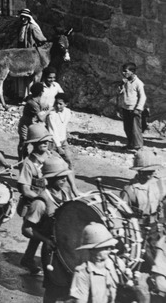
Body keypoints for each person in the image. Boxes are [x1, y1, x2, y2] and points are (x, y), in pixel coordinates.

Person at [22, 157, 77, 302]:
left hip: (67, 248)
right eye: (60, 177)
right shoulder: (40, 203)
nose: (64, 179)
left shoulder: (65, 193)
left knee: (69, 288)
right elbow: (26, 229)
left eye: (65, 176)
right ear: (50, 178)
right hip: (51, 251)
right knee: (53, 290)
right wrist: (45, 239)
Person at [120, 149, 166, 302]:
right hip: (136, 229)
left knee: (158, 257)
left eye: (152, 171)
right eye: (146, 172)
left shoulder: (158, 184)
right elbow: (121, 213)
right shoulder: (129, 189)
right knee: (136, 261)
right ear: (138, 172)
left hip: (155, 227)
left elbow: (163, 203)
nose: (150, 174)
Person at [16, 124, 51, 275]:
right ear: (33, 143)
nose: (44, 143)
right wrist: (42, 199)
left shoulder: (52, 157)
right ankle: (33, 260)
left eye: (46, 140)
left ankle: (28, 258)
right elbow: (24, 189)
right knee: (36, 232)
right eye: (40, 141)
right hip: (35, 204)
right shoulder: (28, 164)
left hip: (50, 202)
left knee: (43, 231)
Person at [67, 223, 121, 303]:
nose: (109, 249)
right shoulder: (82, 273)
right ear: (92, 250)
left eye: (109, 247)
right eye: (105, 247)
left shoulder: (115, 264)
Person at [118, 62, 146, 151]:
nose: (123, 73)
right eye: (123, 71)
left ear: (132, 72)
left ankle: (138, 147)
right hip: (126, 108)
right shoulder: (125, 81)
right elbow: (121, 93)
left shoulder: (138, 83)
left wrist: (138, 108)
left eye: (126, 71)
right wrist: (121, 86)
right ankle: (130, 144)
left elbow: (143, 97)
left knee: (135, 129)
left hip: (134, 109)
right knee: (127, 128)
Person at [18, 82, 46, 161]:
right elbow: (41, 118)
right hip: (26, 125)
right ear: (40, 92)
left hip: (32, 124)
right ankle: (21, 160)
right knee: (23, 143)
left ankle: (27, 159)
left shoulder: (33, 99)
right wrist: (49, 110)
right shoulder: (32, 103)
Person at [46, 93, 73, 170]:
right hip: (53, 142)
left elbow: (63, 127)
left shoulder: (67, 112)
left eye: (60, 104)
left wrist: (63, 141)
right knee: (52, 165)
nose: (58, 106)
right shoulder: (52, 114)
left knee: (69, 161)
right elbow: (53, 131)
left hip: (63, 141)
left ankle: (71, 180)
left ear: (66, 104)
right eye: (56, 103)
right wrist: (58, 146)